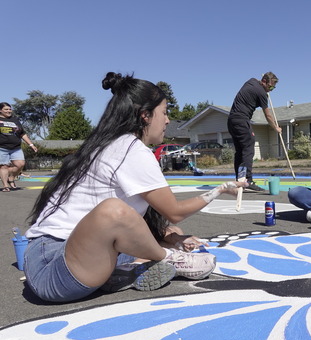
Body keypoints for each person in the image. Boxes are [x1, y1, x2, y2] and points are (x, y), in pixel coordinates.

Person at [24, 72, 247, 303]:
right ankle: (168, 259)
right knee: (114, 212)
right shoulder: (130, 148)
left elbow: (162, 222)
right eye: (164, 112)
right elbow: (175, 211)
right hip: (55, 269)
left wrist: (169, 237)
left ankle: (128, 270)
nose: (168, 120)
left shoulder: (111, 144)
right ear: (145, 116)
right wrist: (220, 189)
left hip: (62, 257)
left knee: (172, 233)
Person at [227, 72, 282, 191]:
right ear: (264, 82)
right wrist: (276, 128)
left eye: (273, 88)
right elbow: (267, 116)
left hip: (231, 121)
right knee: (248, 148)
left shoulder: (251, 81)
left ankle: (239, 180)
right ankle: (247, 180)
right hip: (242, 120)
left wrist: (265, 87)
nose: (271, 90)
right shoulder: (262, 93)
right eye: (271, 87)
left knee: (240, 151)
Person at [0, 102, 38, 192]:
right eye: (6, 109)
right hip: (2, 148)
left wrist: (31, 144)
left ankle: (11, 177)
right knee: (3, 166)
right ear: (0, 110)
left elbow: (22, 134)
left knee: (20, 164)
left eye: (10, 109)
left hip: (16, 147)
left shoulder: (15, 120)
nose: (9, 111)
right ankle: (6, 185)